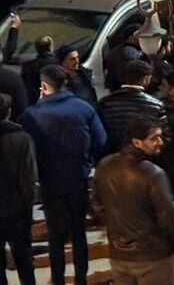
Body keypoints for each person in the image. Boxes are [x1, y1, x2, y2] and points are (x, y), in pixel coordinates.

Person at [18, 64, 106, 285]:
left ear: (44, 86)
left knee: (56, 235)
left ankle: (57, 278)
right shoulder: (83, 108)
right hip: (77, 177)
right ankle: (80, 277)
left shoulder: (32, 115)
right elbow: (100, 140)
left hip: (50, 181)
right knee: (78, 231)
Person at [92, 116, 174, 285]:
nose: (160, 142)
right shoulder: (153, 174)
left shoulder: (104, 166)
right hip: (153, 256)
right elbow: (168, 216)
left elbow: (97, 206)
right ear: (137, 142)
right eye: (154, 138)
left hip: (118, 254)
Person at [0, 92, 36, 285]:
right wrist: (28, 206)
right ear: (9, 112)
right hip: (16, 211)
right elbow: (28, 178)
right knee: (24, 259)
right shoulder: (22, 139)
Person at [97, 57, 165, 155]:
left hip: (111, 157)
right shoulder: (157, 105)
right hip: (143, 158)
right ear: (145, 79)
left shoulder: (104, 103)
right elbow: (163, 135)